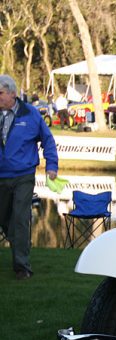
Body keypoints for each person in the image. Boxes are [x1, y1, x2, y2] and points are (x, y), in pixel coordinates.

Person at [0, 75, 59, 280]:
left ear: (13, 93)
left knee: (20, 218)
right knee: (4, 219)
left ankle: (22, 267)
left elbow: (48, 140)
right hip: (1, 176)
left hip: (24, 175)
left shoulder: (31, 114)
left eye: (1, 93)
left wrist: (51, 166)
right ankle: (21, 246)